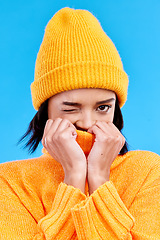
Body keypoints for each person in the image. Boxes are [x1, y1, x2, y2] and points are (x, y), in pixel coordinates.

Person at [0, 7, 160, 240]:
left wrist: (99, 179)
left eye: (103, 107)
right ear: (46, 110)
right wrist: (73, 177)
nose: (87, 122)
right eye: (71, 108)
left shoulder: (148, 171)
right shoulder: (10, 182)